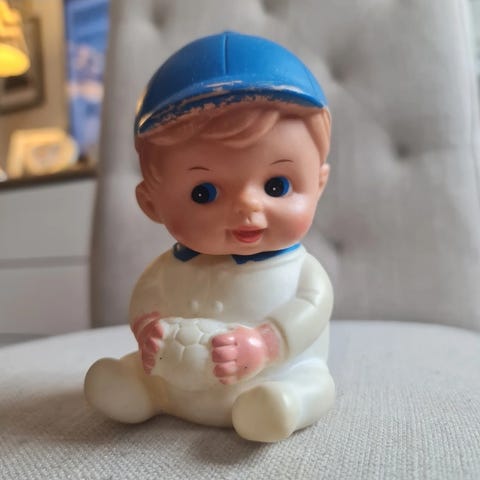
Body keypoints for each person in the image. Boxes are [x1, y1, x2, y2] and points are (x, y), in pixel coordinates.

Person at [84, 31, 335, 443]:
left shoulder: (301, 272)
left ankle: (282, 404)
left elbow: (310, 310)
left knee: (313, 381)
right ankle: (141, 389)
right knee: (142, 370)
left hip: (274, 372)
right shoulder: (168, 268)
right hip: (177, 380)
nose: (247, 207)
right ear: (151, 203)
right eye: (205, 193)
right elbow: (145, 299)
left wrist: (264, 344)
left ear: (319, 184)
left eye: (276, 186)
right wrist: (148, 329)